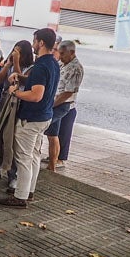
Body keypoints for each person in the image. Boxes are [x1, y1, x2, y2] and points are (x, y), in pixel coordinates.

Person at [0, 28, 59, 208]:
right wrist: (22, 78)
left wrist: (15, 91)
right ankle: (28, 190)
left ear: (40, 43)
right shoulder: (52, 63)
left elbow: (36, 94)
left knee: (23, 157)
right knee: (34, 156)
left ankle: (20, 196)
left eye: (35, 41)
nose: (33, 44)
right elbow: (40, 85)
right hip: (44, 116)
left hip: (31, 118)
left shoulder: (40, 66)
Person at [0, 39, 33, 185]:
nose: (16, 55)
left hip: (17, 104)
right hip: (4, 100)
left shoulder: (31, 68)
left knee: (11, 138)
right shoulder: (10, 64)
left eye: (19, 53)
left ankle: (12, 174)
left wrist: (16, 63)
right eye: (15, 51)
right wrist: (8, 64)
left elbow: (21, 81)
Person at [44, 40, 83, 173]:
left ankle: (56, 161)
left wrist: (51, 104)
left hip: (64, 105)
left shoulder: (75, 68)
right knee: (52, 133)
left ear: (72, 53)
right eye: (59, 53)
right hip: (54, 101)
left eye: (63, 54)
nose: (60, 56)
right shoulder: (61, 63)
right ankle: (52, 160)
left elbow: (67, 93)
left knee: (58, 132)